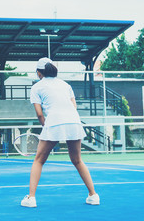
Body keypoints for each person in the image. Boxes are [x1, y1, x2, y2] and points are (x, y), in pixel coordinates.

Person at [21, 57, 99, 208]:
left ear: (39, 73)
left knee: (38, 160)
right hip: (74, 121)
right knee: (77, 160)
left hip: (54, 122)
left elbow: (39, 114)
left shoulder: (37, 87)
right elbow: (73, 106)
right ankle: (93, 195)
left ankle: (31, 198)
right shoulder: (65, 85)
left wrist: (46, 126)